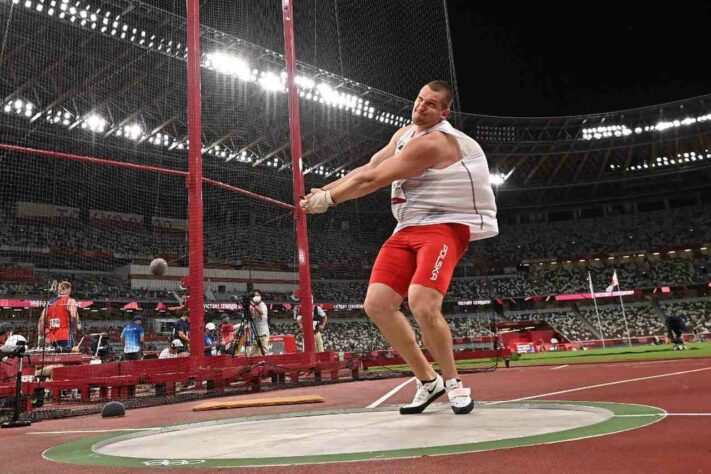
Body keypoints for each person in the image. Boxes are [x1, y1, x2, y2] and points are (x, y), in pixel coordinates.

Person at [301, 81, 498, 415]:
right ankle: (428, 381)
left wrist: (328, 200)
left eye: (431, 104)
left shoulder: (436, 142)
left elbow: (373, 182)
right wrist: (322, 189)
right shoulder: (405, 134)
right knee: (376, 304)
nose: (421, 107)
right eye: (419, 100)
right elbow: (367, 169)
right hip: (407, 227)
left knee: (422, 304)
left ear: (444, 112)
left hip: (444, 226)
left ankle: (453, 384)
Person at [37, 281, 80, 351]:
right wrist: (75, 330)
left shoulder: (49, 304)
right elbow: (73, 316)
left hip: (51, 338)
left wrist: (41, 337)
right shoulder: (70, 301)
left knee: (54, 360)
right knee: (66, 359)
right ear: (68, 289)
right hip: (65, 336)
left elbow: (41, 321)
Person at [249, 290, 269, 356]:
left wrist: (254, 306)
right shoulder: (254, 307)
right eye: (255, 295)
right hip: (257, 334)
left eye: (258, 295)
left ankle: (265, 366)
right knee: (253, 355)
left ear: (261, 296)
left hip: (263, 334)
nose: (256, 297)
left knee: (263, 353)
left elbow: (261, 312)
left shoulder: (263, 305)